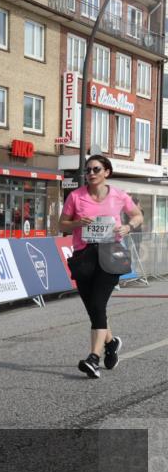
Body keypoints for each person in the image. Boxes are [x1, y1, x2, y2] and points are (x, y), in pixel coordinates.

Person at [59, 155, 143, 379]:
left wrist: (128, 227)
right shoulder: (76, 196)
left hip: (111, 254)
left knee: (98, 304)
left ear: (106, 172)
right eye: (88, 170)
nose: (91, 173)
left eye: (96, 169)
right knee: (94, 309)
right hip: (84, 256)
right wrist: (77, 223)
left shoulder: (118, 195)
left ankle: (93, 359)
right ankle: (111, 342)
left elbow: (137, 216)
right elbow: (61, 224)